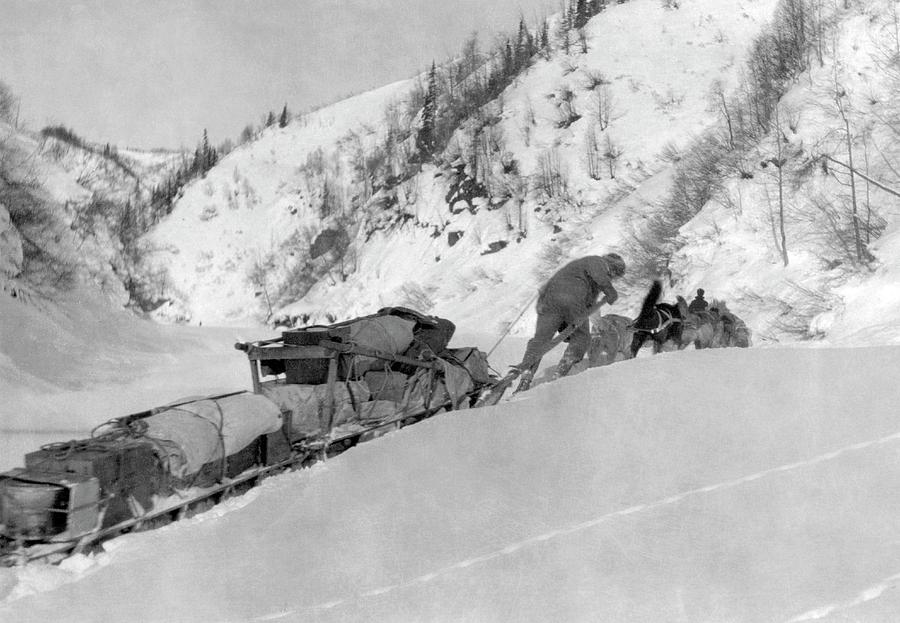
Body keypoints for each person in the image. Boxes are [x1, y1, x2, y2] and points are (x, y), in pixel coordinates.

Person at [515, 253, 626, 390]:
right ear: (613, 269)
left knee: (540, 340)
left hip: (548, 301)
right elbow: (599, 277)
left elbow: (592, 310)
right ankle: (558, 375)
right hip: (571, 299)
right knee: (582, 338)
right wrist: (609, 290)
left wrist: (601, 325)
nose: (613, 279)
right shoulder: (597, 262)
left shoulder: (579, 271)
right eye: (615, 276)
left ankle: (525, 377)